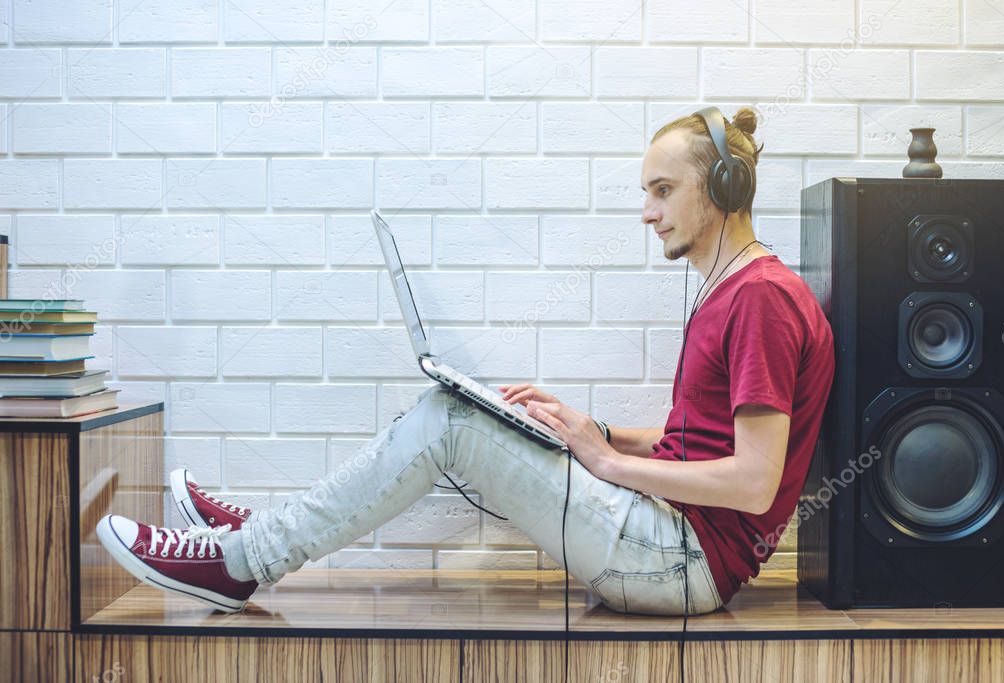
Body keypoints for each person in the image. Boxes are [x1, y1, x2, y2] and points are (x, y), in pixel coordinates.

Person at [96, 106, 835, 616]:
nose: (647, 211)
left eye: (662, 190)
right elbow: (706, 442)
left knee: (451, 421)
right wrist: (596, 429)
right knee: (456, 411)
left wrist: (607, 465)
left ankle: (239, 560)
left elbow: (750, 480)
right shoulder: (735, 290)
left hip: (682, 564)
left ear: (723, 191)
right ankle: (257, 537)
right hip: (664, 535)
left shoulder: (762, 300)